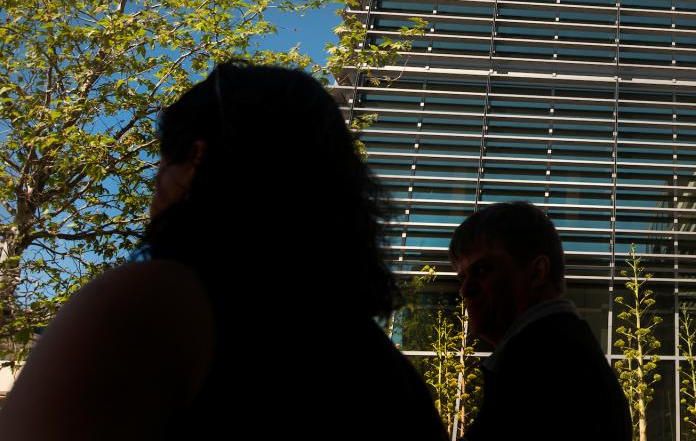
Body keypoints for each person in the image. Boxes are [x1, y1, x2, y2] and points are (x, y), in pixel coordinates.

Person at [0, 62, 448, 440]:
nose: (153, 189)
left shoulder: (153, 302)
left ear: (195, 159)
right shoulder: (383, 370)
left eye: (162, 163)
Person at [449, 201, 630, 441]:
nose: (465, 290)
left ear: (538, 272)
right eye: (462, 277)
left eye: (482, 270)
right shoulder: (561, 349)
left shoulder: (542, 361)